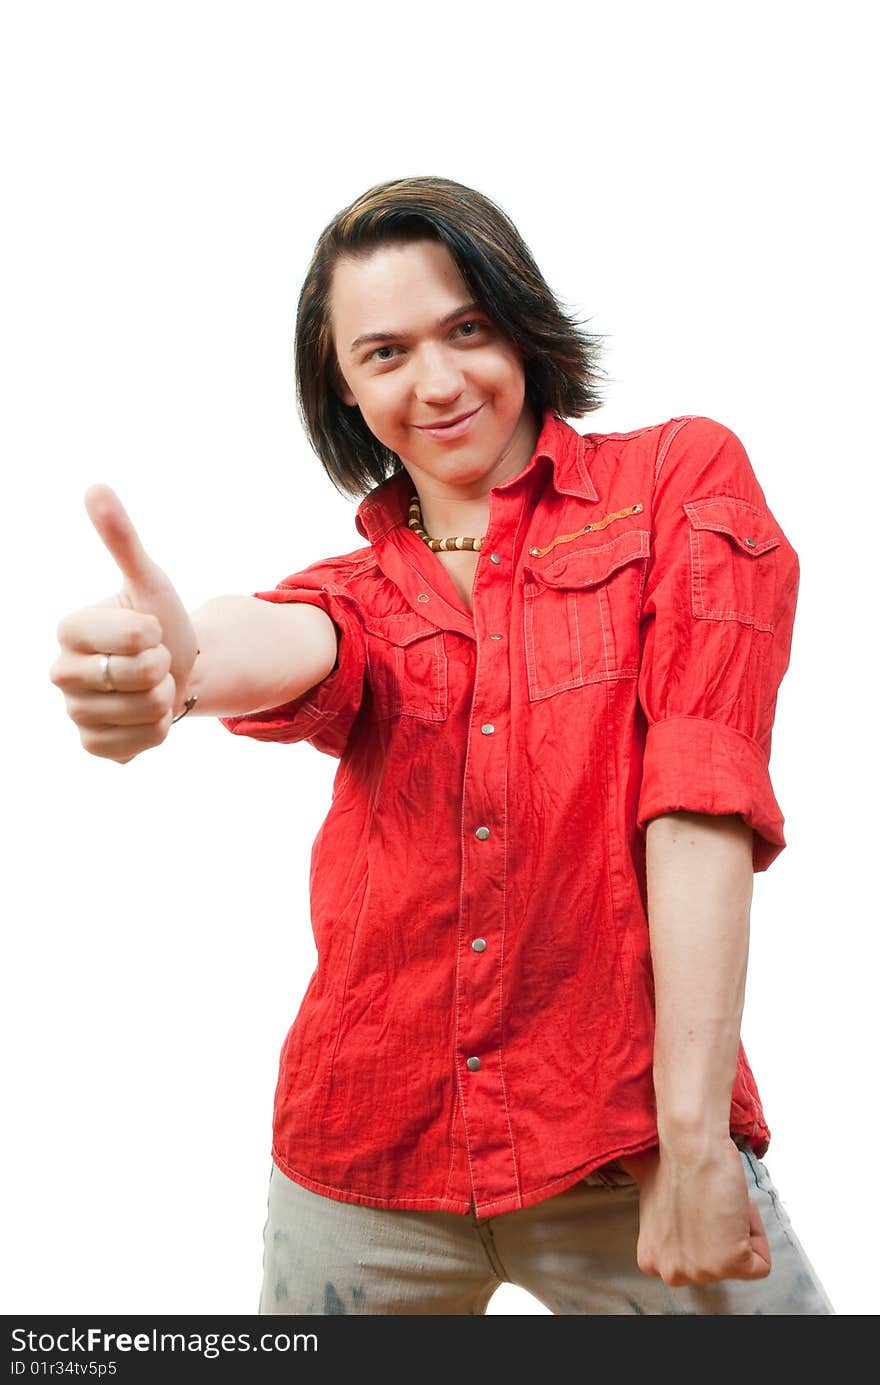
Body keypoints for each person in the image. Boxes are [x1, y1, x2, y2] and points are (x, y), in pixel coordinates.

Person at [49, 174, 834, 1316]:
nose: (438, 380)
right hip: (364, 1151)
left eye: (465, 328)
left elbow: (699, 799)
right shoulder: (358, 592)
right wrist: (178, 670)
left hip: (626, 1144)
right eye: (384, 353)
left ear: (519, 319)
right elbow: (278, 638)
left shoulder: (674, 482)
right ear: (344, 388)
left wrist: (695, 1134)